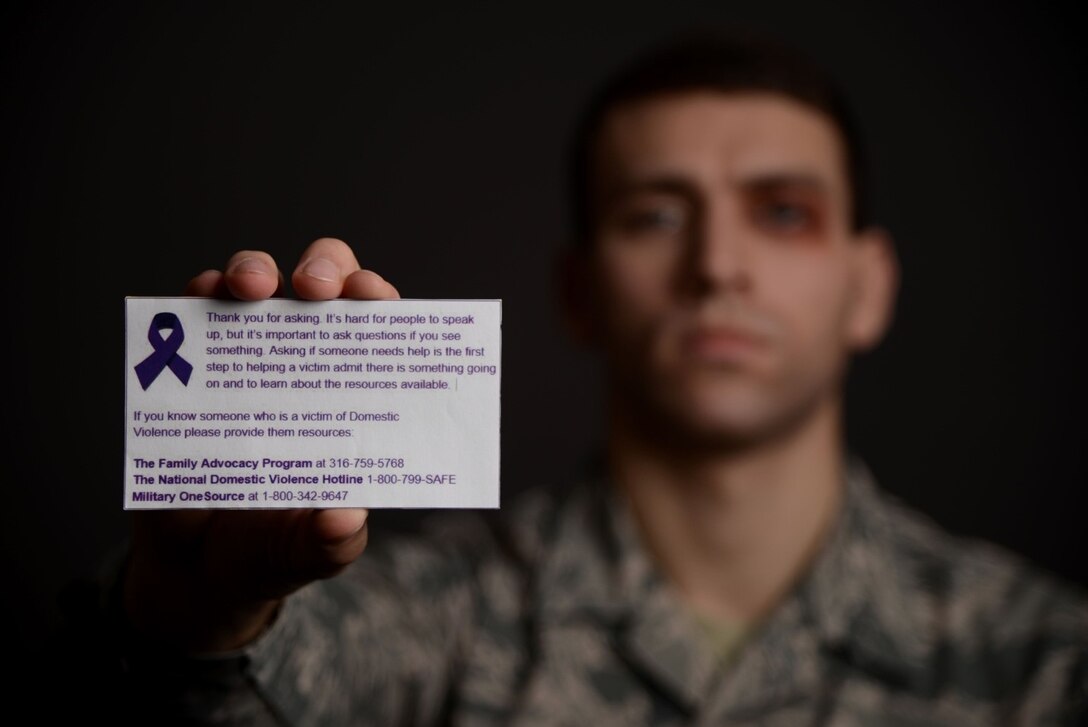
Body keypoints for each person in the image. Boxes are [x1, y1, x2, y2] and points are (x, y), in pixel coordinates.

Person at [104, 33, 1087, 725]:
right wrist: (203, 621)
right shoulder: (430, 621)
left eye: (781, 213)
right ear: (577, 293)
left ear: (866, 287)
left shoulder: (1044, 659)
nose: (715, 267)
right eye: (655, 215)